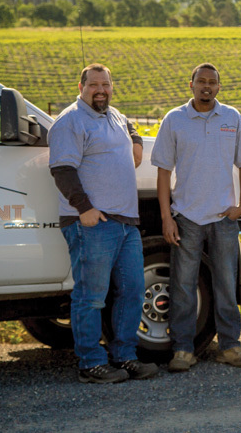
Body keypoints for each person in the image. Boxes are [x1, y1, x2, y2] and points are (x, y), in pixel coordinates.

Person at [48, 63, 158, 384]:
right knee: (91, 296)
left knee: (132, 291)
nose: (100, 90)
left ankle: (124, 356)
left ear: (112, 87)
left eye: (105, 84)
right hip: (92, 223)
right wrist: (85, 208)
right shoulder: (70, 121)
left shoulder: (115, 116)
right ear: (80, 87)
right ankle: (91, 363)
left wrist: (135, 140)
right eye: (93, 84)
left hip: (125, 222)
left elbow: (130, 125)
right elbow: (62, 169)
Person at [151, 62, 241, 371]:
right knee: (183, 285)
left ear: (218, 87)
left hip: (224, 217)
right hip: (186, 216)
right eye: (201, 81)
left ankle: (230, 347)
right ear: (192, 84)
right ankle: (183, 351)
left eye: (212, 82)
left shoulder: (232, 118)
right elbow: (163, 172)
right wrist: (166, 218)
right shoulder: (175, 119)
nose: (207, 86)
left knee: (226, 283)